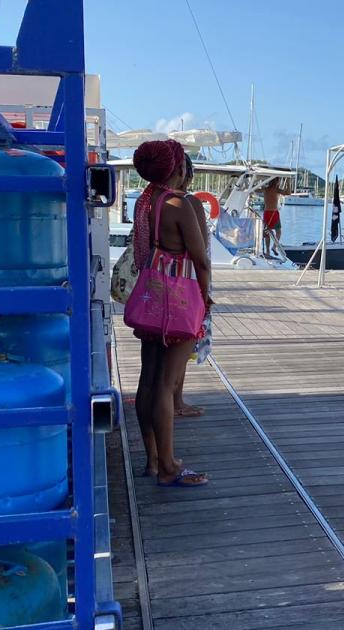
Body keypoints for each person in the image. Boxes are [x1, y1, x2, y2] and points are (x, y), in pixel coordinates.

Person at [129, 140, 211, 487]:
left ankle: (151, 459)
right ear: (178, 169)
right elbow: (202, 256)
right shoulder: (179, 203)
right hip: (179, 301)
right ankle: (169, 466)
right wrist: (206, 299)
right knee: (167, 385)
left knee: (148, 380)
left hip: (152, 296)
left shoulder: (147, 201)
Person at [173, 155, 207, 418]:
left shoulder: (149, 201)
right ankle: (177, 401)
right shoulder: (189, 203)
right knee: (183, 344)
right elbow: (202, 250)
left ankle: (171, 400)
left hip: (158, 281)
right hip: (186, 281)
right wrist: (206, 296)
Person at [262, 177, 283, 252]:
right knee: (278, 231)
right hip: (274, 212)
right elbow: (288, 192)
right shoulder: (277, 190)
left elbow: (256, 190)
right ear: (277, 182)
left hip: (267, 212)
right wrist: (288, 182)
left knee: (267, 232)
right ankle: (274, 247)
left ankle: (268, 250)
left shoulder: (265, 189)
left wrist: (261, 182)